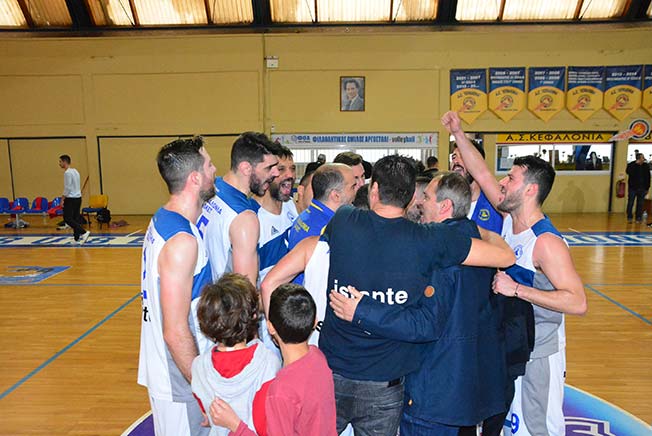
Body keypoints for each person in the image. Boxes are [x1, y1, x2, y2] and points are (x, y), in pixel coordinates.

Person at [319, 154, 517, 436]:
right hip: (384, 383)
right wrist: (475, 229)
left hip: (333, 373)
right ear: (412, 196)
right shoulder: (431, 240)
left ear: (374, 190)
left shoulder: (343, 220)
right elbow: (505, 256)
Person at [442, 110, 587, 436]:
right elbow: (481, 172)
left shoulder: (546, 242)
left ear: (531, 190)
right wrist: (459, 133)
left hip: (540, 353)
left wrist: (518, 289)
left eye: (511, 178)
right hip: (515, 345)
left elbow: (577, 302)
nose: (503, 183)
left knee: (538, 428)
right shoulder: (509, 219)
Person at [138, 136, 217, 436]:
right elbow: (174, 330)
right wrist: (202, 390)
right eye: (209, 165)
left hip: (174, 372)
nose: (214, 170)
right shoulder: (182, 241)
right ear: (195, 178)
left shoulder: (165, 219)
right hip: (180, 380)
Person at [209, 284, 337, 436]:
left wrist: (235, 425)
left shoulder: (281, 391)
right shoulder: (318, 357)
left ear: (270, 327)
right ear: (314, 321)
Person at [191, 273, 281, 436]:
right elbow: (266, 427)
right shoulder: (268, 362)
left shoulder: (198, 366)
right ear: (253, 316)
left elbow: (205, 411)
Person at [198, 132, 279, 286]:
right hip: (224, 299)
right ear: (246, 168)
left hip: (203, 294)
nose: (276, 173)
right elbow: (245, 291)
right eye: (269, 168)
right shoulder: (244, 219)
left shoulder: (211, 188)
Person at [251, 145, 298, 284]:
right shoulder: (251, 217)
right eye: (281, 169)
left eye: (292, 169)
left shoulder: (291, 204)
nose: (290, 175)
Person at [288, 163, 356, 250]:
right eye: (353, 187)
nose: (356, 191)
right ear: (336, 196)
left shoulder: (308, 213)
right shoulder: (328, 230)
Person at [450, 140, 503, 233]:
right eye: (453, 157)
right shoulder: (445, 204)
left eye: (462, 156)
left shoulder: (495, 205)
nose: (456, 161)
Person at [58, 154, 90, 244]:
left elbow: (67, 188)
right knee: (75, 218)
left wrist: (62, 199)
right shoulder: (75, 171)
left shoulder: (67, 173)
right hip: (78, 198)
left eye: (60, 161)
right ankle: (76, 238)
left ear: (65, 162)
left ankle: (84, 232)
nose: (59, 164)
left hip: (71, 199)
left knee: (67, 218)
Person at [626, 153, 650, 223]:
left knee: (640, 204)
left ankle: (638, 217)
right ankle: (629, 217)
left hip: (642, 188)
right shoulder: (631, 165)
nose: (643, 159)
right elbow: (628, 172)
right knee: (630, 203)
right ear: (638, 158)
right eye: (642, 157)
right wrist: (635, 164)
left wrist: (647, 188)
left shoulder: (646, 166)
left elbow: (648, 177)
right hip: (633, 188)